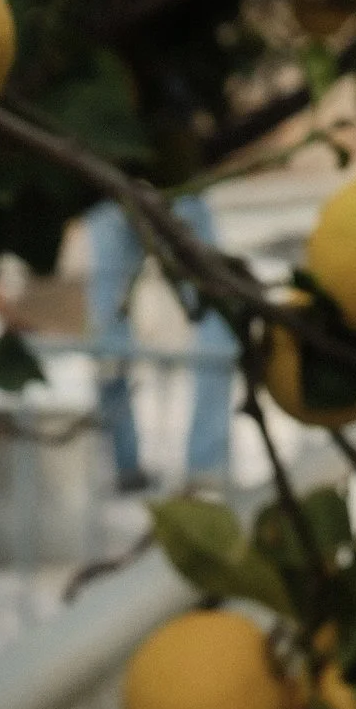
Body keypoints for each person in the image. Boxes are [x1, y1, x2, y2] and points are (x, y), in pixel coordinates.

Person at [86, 198, 234, 490]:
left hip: (162, 187)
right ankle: (142, 467)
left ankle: (202, 469)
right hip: (118, 191)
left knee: (215, 319)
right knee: (108, 335)